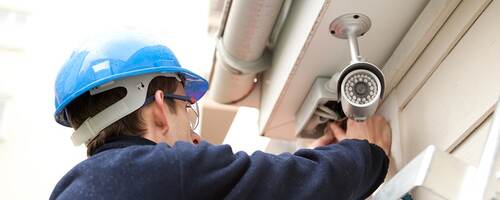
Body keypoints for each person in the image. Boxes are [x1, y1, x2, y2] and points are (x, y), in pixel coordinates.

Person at [49, 33, 391, 200]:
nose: (196, 138)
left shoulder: (71, 190)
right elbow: (297, 186)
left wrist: (311, 154)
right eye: (186, 109)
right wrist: (364, 151)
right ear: (158, 111)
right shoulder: (163, 168)